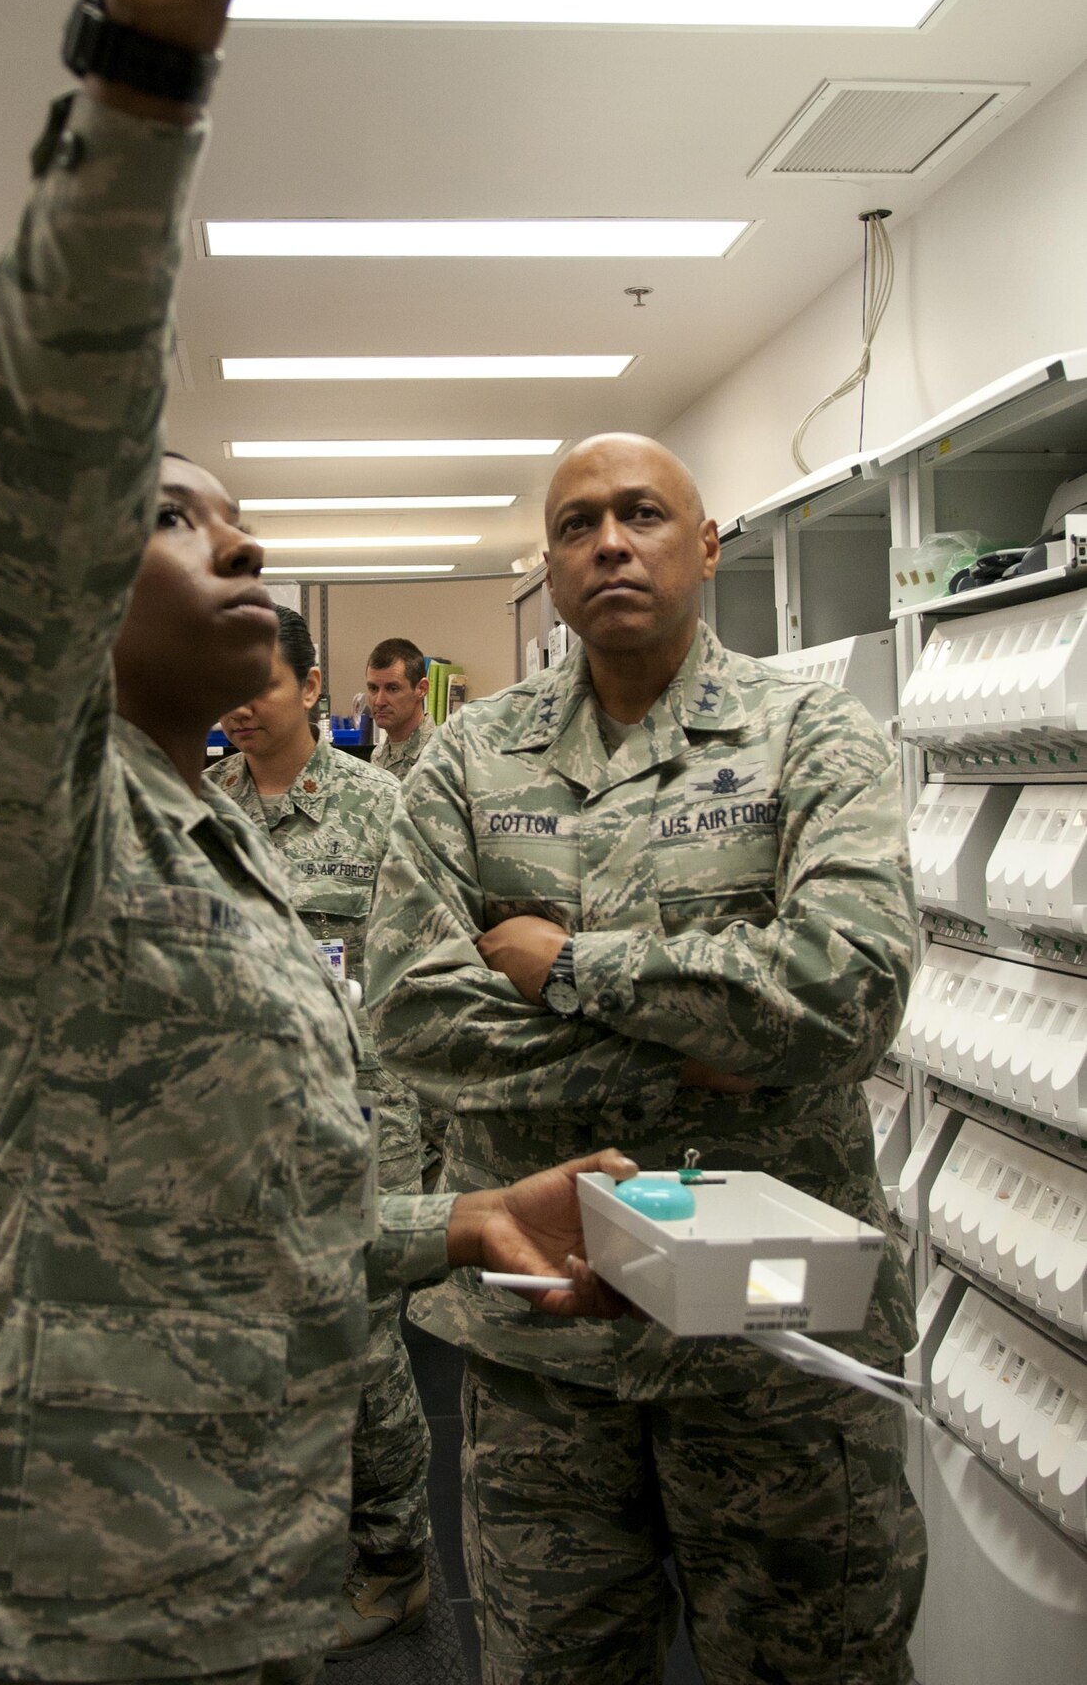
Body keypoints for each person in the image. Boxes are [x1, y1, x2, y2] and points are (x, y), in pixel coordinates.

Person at [0, 0, 633, 1685]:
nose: (244, 546)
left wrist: (458, 1224)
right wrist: (151, 59)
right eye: (181, 519)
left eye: (243, 520)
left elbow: (232, 1227)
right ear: (84, 573)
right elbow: (25, 478)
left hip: (230, 1607)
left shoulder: (211, 835)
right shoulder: (37, 801)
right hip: (37, 1624)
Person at [367, 432, 927, 1685]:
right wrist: (712, 1042)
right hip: (544, 1350)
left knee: (813, 1665)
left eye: (640, 514)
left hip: (774, 1340)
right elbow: (410, 1011)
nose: (607, 541)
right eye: (575, 524)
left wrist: (571, 967)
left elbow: (846, 993)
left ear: (705, 543)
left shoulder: (813, 738)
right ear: (551, 568)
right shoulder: (468, 759)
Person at [204, 608, 432, 1655]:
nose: (240, 703)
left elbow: (431, 969)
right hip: (231, 1118)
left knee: (362, 1337)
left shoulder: (380, 806)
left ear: (309, 684)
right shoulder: (196, 808)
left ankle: (392, 1559)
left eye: (260, 680)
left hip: (360, 1107)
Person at [364, 637, 431, 783]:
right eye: (373, 688)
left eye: (392, 689)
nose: (379, 701)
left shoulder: (442, 754)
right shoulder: (378, 756)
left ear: (421, 689)